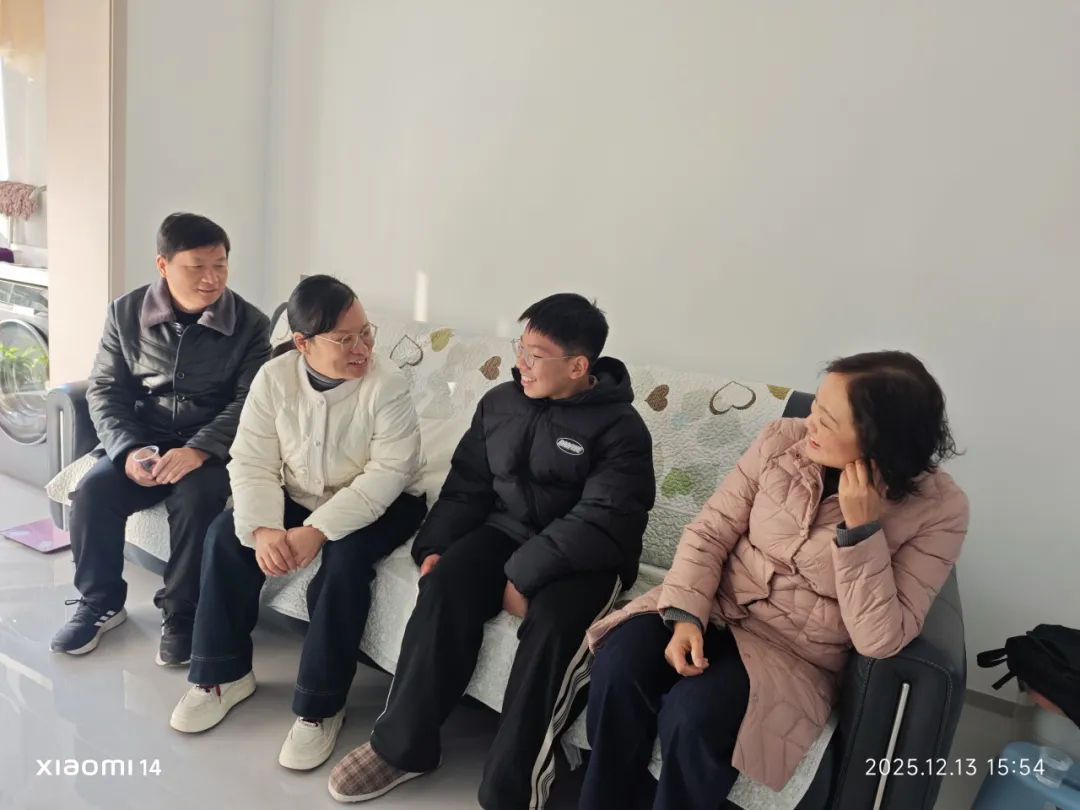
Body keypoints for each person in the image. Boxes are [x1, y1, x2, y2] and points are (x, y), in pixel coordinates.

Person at [578, 351, 970, 810]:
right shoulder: (782, 439)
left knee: (693, 716)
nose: (810, 422)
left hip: (793, 652)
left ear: (879, 439)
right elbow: (710, 531)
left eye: (828, 419)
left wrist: (862, 532)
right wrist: (685, 616)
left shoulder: (939, 510)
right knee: (619, 664)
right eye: (816, 405)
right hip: (714, 603)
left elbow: (881, 639)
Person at [327, 294, 657, 809]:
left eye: (535, 355)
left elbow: (602, 520)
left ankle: (512, 792)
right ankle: (402, 749)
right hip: (505, 531)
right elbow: (469, 483)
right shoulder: (502, 403)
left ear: (578, 366)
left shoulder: (622, 429)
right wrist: (437, 545)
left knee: (553, 632)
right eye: (519, 348)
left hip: (589, 559)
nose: (520, 363)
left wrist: (522, 575)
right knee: (444, 585)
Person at [169, 275, 427, 772]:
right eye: (344, 339)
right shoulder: (274, 378)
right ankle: (223, 675)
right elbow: (252, 460)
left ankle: (320, 706)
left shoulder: (388, 384)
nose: (362, 348)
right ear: (303, 343)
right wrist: (265, 529)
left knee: (344, 562)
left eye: (365, 332)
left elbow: (387, 474)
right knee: (226, 535)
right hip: (301, 491)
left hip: (386, 500)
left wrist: (318, 530)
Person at [51, 213, 270, 666]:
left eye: (220, 265)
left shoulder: (251, 324)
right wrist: (127, 450)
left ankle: (182, 615)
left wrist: (200, 449)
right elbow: (105, 390)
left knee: (197, 500)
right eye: (197, 266)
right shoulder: (125, 312)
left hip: (211, 449)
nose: (212, 278)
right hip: (143, 439)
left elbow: (250, 402)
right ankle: (100, 602)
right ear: (163, 265)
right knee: (93, 492)